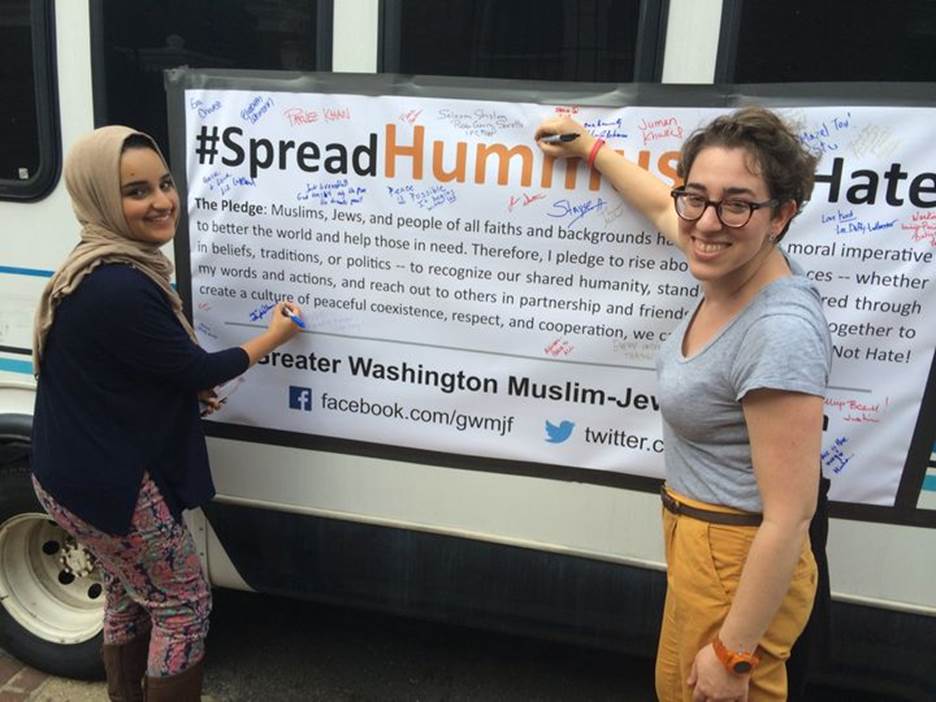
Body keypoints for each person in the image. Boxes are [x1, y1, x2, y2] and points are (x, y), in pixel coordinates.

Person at [536, 106, 831, 702]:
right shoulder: (734, 264)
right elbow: (658, 207)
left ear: (781, 216)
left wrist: (734, 651)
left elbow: (790, 516)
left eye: (737, 203)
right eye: (695, 196)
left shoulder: (779, 329)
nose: (707, 221)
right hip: (705, 546)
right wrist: (590, 150)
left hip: (735, 559)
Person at [30, 126, 303, 701]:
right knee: (183, 604)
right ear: (101, 198)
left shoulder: (95, 265)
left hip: (68, 479)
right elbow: (196, 372)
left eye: (165, 183)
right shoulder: (118, 287)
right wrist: (273, 336)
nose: (161, 201)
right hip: (111, 486)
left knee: (130, 593)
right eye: (135, 191)